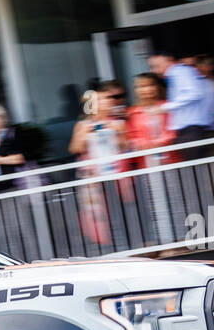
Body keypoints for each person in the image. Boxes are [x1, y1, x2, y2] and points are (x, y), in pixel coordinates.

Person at [69, 81, 132, 247]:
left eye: (108, 99)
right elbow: (74, 148)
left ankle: (124, 243)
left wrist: (118, 132)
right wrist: (86, 133)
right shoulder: (83, 124)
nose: (108, 102)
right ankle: (105, 245)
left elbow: (125, 147)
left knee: (120, 209)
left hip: (115, 173)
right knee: (97, 213)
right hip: (93, 176)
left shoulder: (118, 123)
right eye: (102, 99)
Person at [149, 50, 214, 149]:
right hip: (188, 130)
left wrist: (165, 107)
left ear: (169, 60)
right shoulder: (175, 74)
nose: (154, 71)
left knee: (195, 163)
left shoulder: (180, 72)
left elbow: (193, 93)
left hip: (191, 129)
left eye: (156, 66)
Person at [126, 73, 177, 165]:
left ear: (157, 87)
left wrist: (162, 141)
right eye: (141, 86)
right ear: (135, 90)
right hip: (146, 162)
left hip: (170, 158)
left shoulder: (167, 106)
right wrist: (141, 144)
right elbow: (131, 137)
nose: (146, 89)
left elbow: (174, 131)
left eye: (150, 85)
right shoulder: (132, 113)